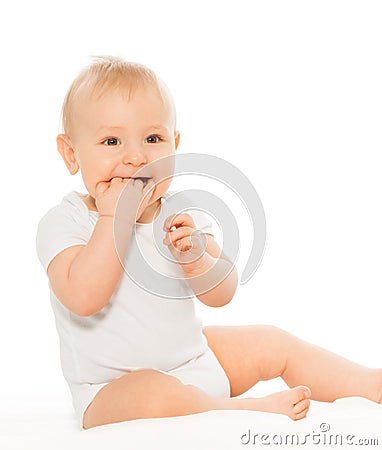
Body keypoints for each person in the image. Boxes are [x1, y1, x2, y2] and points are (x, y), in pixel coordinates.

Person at [36, 56, 382, 430]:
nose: (135, 157)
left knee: (271, 342)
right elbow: (84, 298)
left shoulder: (178, 213)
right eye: (111, 141)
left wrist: (198, 260)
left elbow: (222, 293)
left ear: (175, 144)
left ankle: (369, 384)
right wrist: (113, 219)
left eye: (153, 139)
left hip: (195, 359)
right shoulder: (67, 222)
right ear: (71, 154)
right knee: (155, 392)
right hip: (113, 391)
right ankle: (247, 410)